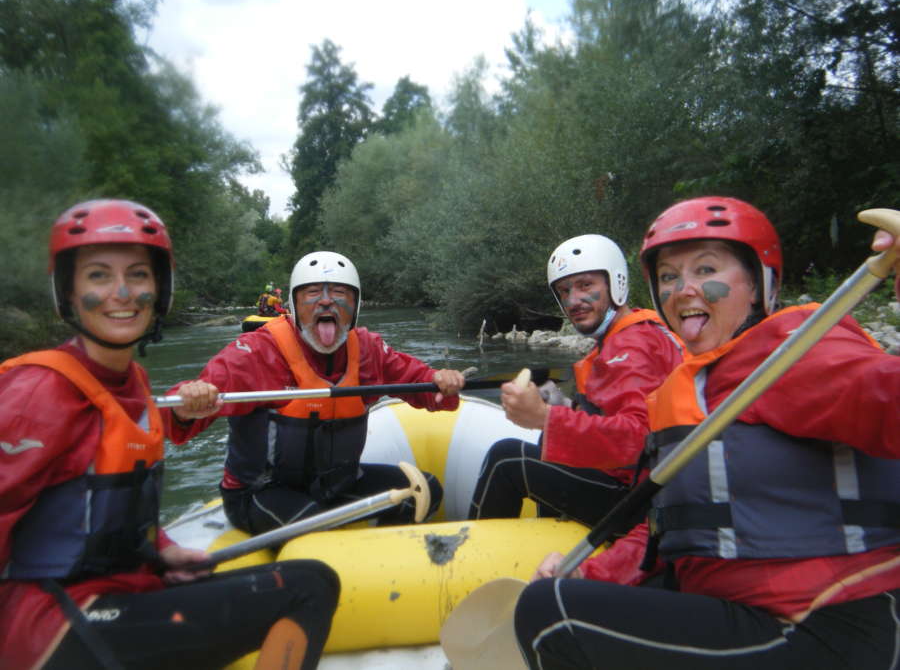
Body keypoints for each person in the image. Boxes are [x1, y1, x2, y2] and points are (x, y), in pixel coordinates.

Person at [515, 197, 900, 669]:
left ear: (758, 285)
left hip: (826, 624)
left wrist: (550, 421)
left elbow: (886, 399)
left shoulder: (796, 354)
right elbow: (665, 526)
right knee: (562, 592)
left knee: (550, 613)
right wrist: (588, 574)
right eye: (670, 277)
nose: (684, 290)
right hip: (739, 605)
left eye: (706, 269)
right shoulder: (688, 387)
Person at [0, 200, 340, 670]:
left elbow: (107, 513)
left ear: (159, 289)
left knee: (303, 580)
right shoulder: (36, 392)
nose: (122, 291)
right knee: (308, 587)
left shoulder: (133, 382)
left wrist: (162, 551)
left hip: (117, 594)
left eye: (138, 275)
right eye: (98, 275)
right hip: (49, 625)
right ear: (68, 292)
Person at [168, 251, 465, 536]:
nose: (326, 302)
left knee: (425, 490)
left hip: (337, 485)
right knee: (315, 523)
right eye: (312, 293)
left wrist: (441, 382)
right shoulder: (255, 353)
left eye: (339, 293)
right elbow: (177, 420)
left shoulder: (368, 349)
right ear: (294, 304)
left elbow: (421, 383)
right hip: (260, 493)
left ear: (356, 304)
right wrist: (187, 404)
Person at [467, 234, 683, 525]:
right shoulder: (633, 333)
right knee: (549, 444)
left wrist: (546, 418)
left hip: (643, 499)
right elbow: (616, 416)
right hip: (641, 484)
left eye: (585, 286)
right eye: (565, 291)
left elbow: (638, 438)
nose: (573, 300)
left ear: (615, 283)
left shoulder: (632, 346)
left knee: (507, 458)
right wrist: (564, 407)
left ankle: (470, 557)